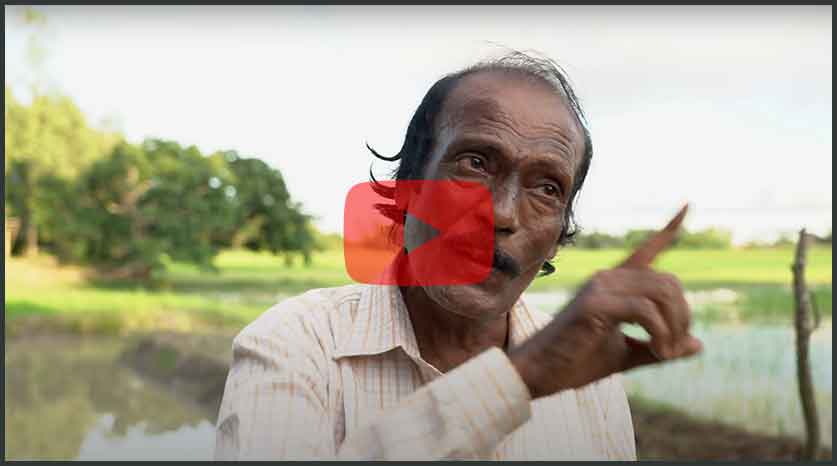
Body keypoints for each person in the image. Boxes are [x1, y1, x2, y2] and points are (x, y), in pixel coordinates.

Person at [214, 52, 703, 460]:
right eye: (474, 163)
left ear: (558, 238)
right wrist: (521, 379)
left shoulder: (592, 382)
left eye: (547, 188)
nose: (501, 212)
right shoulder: (297, 346)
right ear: (407, 186)